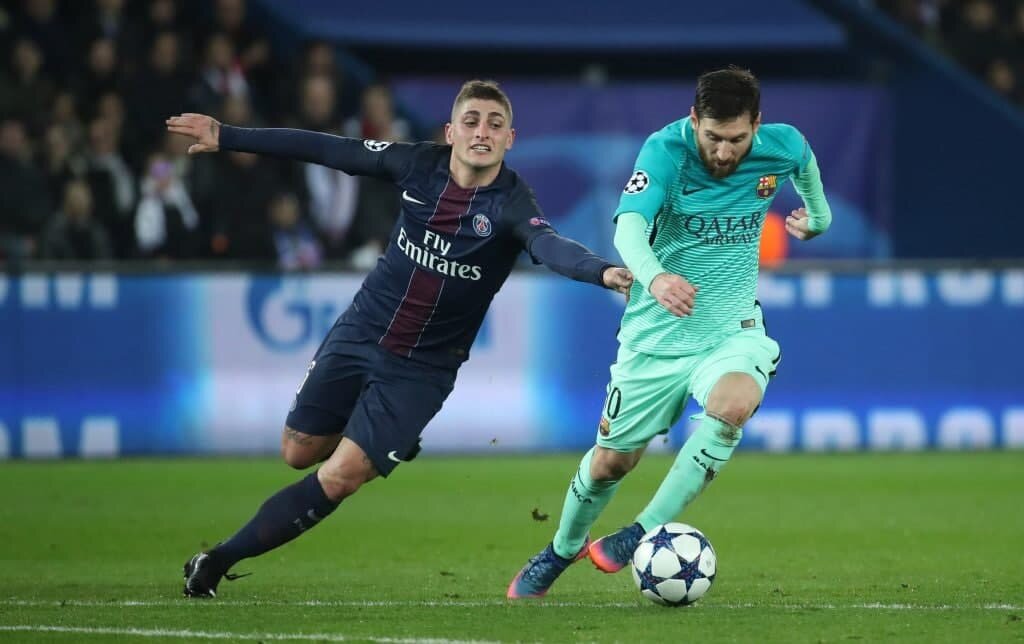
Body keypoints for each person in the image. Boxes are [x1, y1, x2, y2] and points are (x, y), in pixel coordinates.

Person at [165, 79, 634, 598]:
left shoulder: (512, 204)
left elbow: (548, 245)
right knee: (297, 452)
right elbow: (329, 149)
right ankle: (391, 438)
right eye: (472, 122)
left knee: (340, 476)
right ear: (450, 132)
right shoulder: (417, 165)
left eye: (495, 125)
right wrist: (228, 135)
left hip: (421, 368)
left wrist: (602, 271)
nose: (482, 132)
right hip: (362, 329)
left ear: (510, 139)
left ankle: (216, 561)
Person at [507, 67, 833, 599]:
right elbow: (629, 226)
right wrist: (656, 277)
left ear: (756, 124)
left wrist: (817, 219)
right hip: (656, 336)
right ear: (694, 120)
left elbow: (809, 178)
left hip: (731, 330)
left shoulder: (784, 145)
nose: (724, 152)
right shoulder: (665, 151)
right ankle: (561, 549)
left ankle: (641, 531)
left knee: (733, 404)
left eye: (736, 139)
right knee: (611, 462)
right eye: (713, 137)